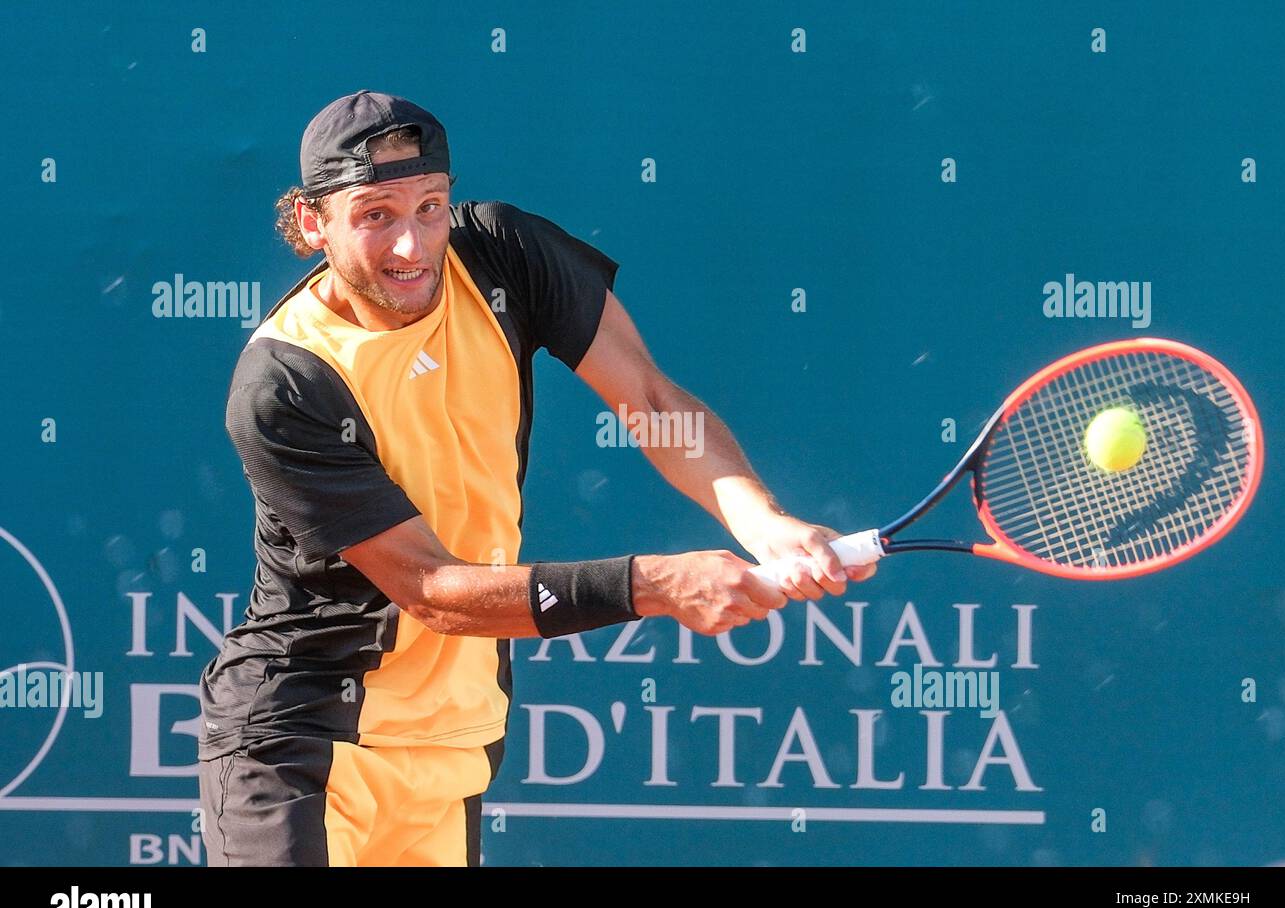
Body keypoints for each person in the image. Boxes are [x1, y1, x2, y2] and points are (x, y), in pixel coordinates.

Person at [197, 90, 874, 867]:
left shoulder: (501, 254)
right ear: (313, 223)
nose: (413, 245)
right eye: (375, 215)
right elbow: (427, 588)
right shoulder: (284, 382)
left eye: (430, 207)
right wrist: (652, 585)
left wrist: (764, 522)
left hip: (454, 738)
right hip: (303, 735)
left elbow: (651, 400)